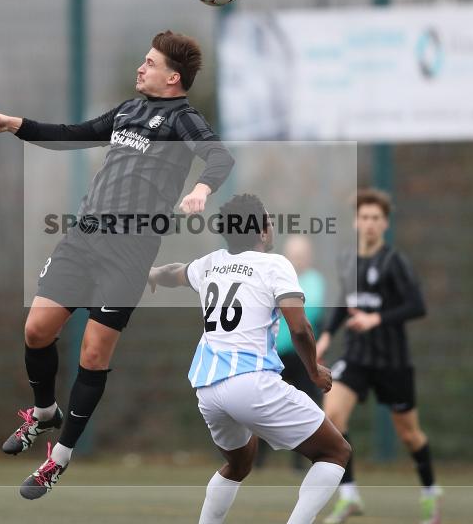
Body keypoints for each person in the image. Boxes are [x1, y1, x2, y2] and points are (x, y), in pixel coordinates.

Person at [0, 30, 235, 499]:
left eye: (150, 62)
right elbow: (72, 134)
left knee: (93, 356)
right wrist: (15, 123)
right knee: (37, 330)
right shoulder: (127, 111)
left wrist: (201, 189)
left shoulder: (183, 119)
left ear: (172, 77)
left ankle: (58, 460)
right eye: (142, 61)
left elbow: (219, 154)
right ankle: (42, 414)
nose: (141, 68)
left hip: (130, 252)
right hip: (84, 238)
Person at [148, 193, 351, 524]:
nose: (272, 225)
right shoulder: (275, 265)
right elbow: (299, 328)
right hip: (251, 382)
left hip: (208, 389)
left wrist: (153, 273)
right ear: (261, 230)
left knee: (239, 464)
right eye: (269, 220)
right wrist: (313, 371)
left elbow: (175, 272)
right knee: (336, 452)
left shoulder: (211, 263)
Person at [316, 189, 441, 524]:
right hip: (356, 358)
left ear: (385, 223)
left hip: (393, 362)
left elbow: (418, 306)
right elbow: (343, 302)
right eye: (364, 217)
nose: (369, 224)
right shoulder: (347, 261)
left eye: (376, 218)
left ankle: (430, 492)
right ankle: (350, 496)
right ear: (356, 221)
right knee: (332, 418)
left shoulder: (394, 261)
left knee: (409, 435)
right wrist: (326, 336)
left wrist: (377, 318)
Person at [257, 234, 326, 470]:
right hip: (274, 354)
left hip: (301, 357)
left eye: (302, 255)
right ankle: (258, 460)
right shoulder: (275, 277)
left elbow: (308, 316)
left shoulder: (314, 281)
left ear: (310, 257)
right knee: (264, 407)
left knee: (306, 406)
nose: (297, 260)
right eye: (294, 255)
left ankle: (301, 461)